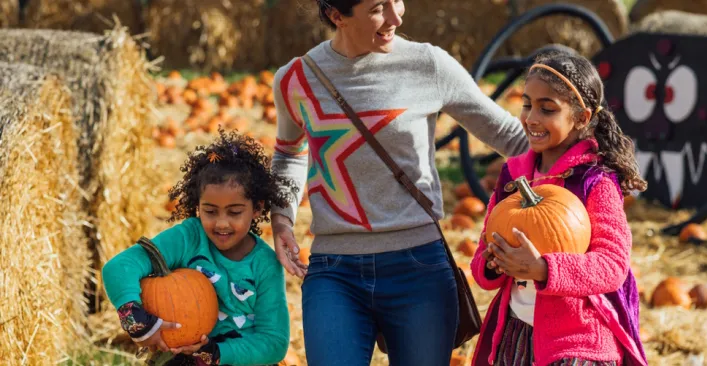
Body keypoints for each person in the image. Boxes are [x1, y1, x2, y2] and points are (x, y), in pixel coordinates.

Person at [268, 0, 530, 364]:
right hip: (335, 272)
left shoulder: (428, 65)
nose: (397, 16)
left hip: (418, 268)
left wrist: (587, 157)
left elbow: (511, 137)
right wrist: (281, 217)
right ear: (336, 15)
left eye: (397, 1)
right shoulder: (296, 79)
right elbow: (289, 153)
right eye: (378, 8)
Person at [469, 51, 649, 366]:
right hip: (515, 334)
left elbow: (612, 265)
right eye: (527, 105)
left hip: (576, 342)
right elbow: (482, 263)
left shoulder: (595, 181)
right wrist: (494, 261)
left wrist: (543, 269)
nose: (531, 118)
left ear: (582, 118)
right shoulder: (513, 176)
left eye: (547, 109)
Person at [102, 129, 290, 365]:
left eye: (234, 212)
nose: (221, 223)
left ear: (257, 209)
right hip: (182, 357)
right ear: (198, 206)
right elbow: (119, 267)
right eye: (210, 211)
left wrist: (217, 353)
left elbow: (274, 342)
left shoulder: (265, 264)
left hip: (239, 359)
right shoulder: (189, 236)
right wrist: (137, 320)